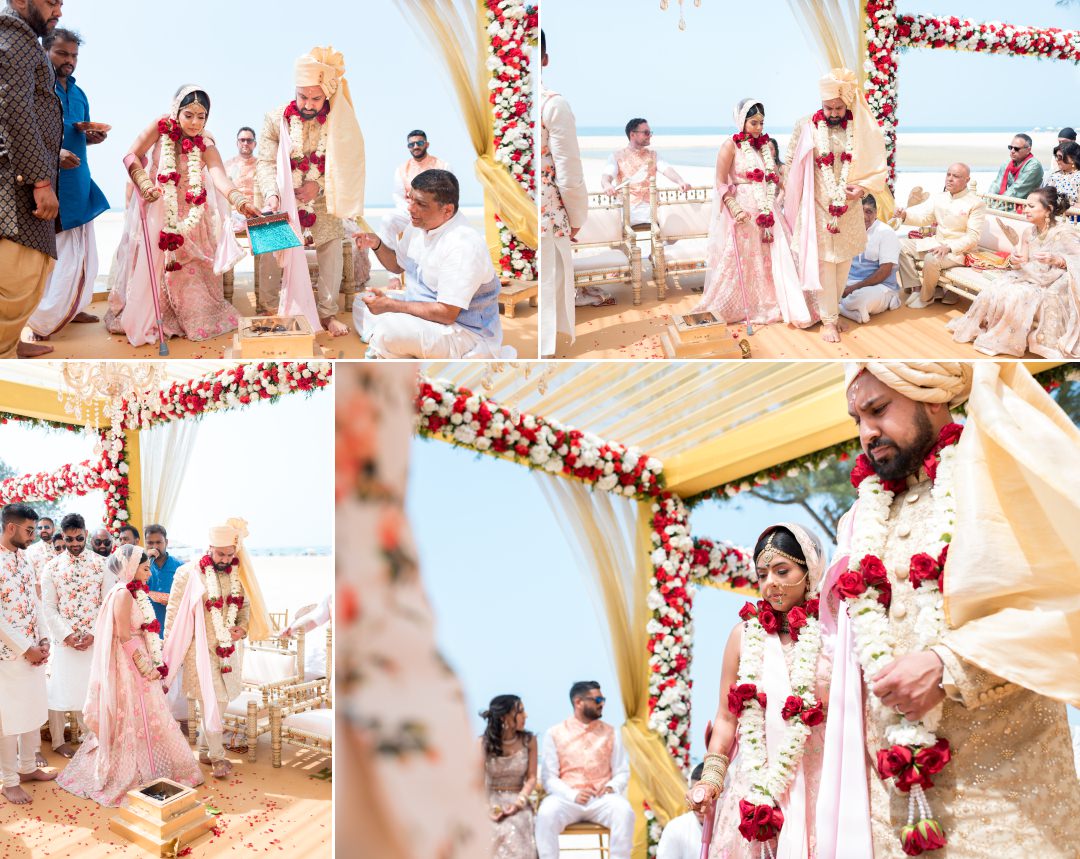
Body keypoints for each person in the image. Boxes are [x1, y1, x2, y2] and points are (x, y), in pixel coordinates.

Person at [817, 362, 1080, 858]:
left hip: (1013, 809)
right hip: (891, 812)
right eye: (856, 419)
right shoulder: (860, 519)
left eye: (877, 411)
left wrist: (947, 663)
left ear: (932, 396)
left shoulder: (999, 476)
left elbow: (1063, 604)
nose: (866, 433)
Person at [688, 524, 829, 859]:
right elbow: (725, 718)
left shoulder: (832, 631)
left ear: (810, 570)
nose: (771, 584)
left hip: (818, 783)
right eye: (763, 574)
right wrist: (710, 781)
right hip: (756, 783)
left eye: (782, 571)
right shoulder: (744, 635)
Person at [105, 86, 259, 346]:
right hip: (158, 208)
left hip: (192, 218)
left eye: (201, 117)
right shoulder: (160, 127)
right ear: (177, 111)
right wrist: (143, 182)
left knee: (190, 274)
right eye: (189, 115)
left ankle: (190, 314)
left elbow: (219, 175)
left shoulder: (206, 143)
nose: (195, 122)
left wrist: (240, 201)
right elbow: (132, 154)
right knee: (154, 266)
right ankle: (153, 313)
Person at [56, 545, 204, 807]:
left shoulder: (131, 591)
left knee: (150, 712)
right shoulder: (123, 593)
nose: (149, 574)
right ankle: (130, 771)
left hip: (139, 655)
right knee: (133, 714)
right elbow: (124, 635)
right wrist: (144, 665)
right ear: (131, 568)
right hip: (129, 662)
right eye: (145, 569)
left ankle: (156, 765)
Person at [256, 46, 366, 337]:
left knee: (331, 245)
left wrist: (317, 185)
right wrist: (272, 195)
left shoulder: (338, 121)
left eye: (316, 98)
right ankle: (270, 309)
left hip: (322, 196)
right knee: (269, 235)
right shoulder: (275, 117)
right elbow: (266, 161)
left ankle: (328, 315)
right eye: (302, 96)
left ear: (326, 97)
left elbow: (347, 160)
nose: (308, 104)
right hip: (280, 193)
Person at [355, 169, 505, 359]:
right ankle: (395, 342)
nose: (410, 208)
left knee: (388, 330)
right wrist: (376, 244)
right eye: (410, 199)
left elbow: (447, 313)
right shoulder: (418, 226)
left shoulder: (463, 244)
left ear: (447, 210)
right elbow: (396, 265)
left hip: (464, 334)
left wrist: (391, 306)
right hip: (423, 315)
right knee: (362, 302)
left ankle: (387, 341)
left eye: (420, 204)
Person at [785, 68, 888, 342]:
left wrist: (862, 189)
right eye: (828, 107)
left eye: (838, 108)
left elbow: (873, 162)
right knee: (823, 266)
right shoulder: (805, 125)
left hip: (849, 208)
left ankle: (833, 313)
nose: (833, 113)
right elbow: (791, 164)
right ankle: (829, 320)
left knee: (843, 264)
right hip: (817, 207)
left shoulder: (859, 128)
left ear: (847, 104)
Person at [162, 519, 270, 779]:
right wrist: (167, 650)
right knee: (211, 702)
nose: (225, 559)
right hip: (198, 650)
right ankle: (218, 756)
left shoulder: (238, 572)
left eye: (230, 554)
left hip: (229, 649)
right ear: (209, 548)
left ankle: (204, 749)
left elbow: (244, 607)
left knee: (219, 700)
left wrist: (242, 629)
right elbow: (174, 614)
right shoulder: (188, 573)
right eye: (220, 554)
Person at [695, 99, 815, 329]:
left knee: (776, 257)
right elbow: (720, 183)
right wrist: (734, 207)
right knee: (743, 260)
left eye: (761, 123)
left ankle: (775, 303)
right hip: (744, 212)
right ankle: (739, 305)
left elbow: (773, 178)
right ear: (742, 122)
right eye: (753, 123)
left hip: (769, 212)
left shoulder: (763, 146)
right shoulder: (730, 145)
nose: (759, 128)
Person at [27, 27, 108, 342]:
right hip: (49, 185)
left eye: (74, 55)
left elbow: (78, 133)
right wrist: (54, 154)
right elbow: (26, 136)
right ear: (46, 51)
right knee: (57, 258)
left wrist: (93, 137)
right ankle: (42, 322)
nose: (69, 60)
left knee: (85, 253)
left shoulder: (78, 93)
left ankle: (71, 309)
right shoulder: (36, 89)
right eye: (62, 53)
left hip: (79, 181)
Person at [0, 0, 64, 360]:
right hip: (16, 182)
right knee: (17, 276)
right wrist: (40, 181)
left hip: (25, 173)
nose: (58, 11)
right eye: (51, 2)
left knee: (33, 271)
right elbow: (14, 110)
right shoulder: (11, 34)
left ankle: (10, 341)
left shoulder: (24, 39)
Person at [947, 186, 1080, 357]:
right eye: (1025, 205)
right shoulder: (1028, 232)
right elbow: (1021, 262)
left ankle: (1005, 340)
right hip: (1029, 275)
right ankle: (986, 330)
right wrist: (1015, 259)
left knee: (1016, 295)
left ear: (1048, 210)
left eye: (1031, 206)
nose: (1025, 210)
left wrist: (1058, 260)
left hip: (1052, 281)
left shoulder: (1064, 232)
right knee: (994, 290)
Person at [39, 512, 113, 759]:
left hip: (94, 641)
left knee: (91, 692)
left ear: (86, 534)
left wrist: (92, 633)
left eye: (79, 538)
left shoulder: (103, 565)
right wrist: (68, 635)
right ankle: (59, 741)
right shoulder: (51, 567)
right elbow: (48, 607)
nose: (74, 544)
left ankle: (90, 738)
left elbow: (107, 603)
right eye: (69, 539)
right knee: (58, 691)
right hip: (64, 643)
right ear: (63, 536)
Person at [536, 682, 634, 859]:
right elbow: (549, 777)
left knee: (624, 811)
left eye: (602, 699)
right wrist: (571, 794)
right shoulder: (554, 733)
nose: (602, 703)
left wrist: (612, 787)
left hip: (601, 799)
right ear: (578, 702)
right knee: (546, 812)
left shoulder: (612, 733)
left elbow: (622, 772)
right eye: (597, 699)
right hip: (567, 799)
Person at [0, 503, 55, 804]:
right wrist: (26, 649)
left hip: (35, 653)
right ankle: (8, 781)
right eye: (29, 530)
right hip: (8, 657)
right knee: (9, 721)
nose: (33, 537)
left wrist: (44, 639)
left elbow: (35, 602)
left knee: (32, 713)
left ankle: (28, 767)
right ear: (11, 527)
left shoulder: (25, 560)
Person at [539, 29, 588, 359]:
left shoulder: (502, 106)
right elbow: (569, 170)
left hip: (509, 207)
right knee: (550, 278)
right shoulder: (553, 104)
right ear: (544, 59)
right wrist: (577, 216)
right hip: (546, 207)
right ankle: (545, 347)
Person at [895, 163, 985, 309]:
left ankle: (926, 297)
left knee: (932, 258)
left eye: (955, 176)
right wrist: (905, 215)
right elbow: (925, 218)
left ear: (967, 180)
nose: (950, 179)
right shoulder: (940, 198)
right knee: (899, 244)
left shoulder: (976, 203)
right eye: (948, 174)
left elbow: (973, 237)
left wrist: (949, 247)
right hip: (936, 243)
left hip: (958, 251)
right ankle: (916, 288)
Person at [602, 118, 690, 226]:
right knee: (611, 224)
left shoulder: (653, 155)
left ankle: (661, 243)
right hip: (627, 208)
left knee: (677, 220)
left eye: (650, 132)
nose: (650, 135)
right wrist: (607, 185)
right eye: (646, 132)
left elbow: (667, 169)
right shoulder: (617, 156)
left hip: (651, 207)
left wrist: (680, 181)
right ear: (633, 135)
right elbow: (607, 175)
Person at [481, 695, 538, 859]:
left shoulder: (530, 741)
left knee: (517, 825)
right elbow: (476, 782)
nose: (525, 715)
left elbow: (532, 777)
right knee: (491, 829)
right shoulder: (483, 743)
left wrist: (519, 802)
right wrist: (486, 809)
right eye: (520, 712)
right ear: (503, 717)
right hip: (490, 799)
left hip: (518, 799)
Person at [839, 194, 900, 324]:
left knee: (861, 298)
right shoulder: (848, 228)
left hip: (880, 287)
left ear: (876, 213)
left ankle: (838, 307)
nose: (864, 216)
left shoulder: (885, 232)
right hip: (849, 284)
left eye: (868, 211)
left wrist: (853, 288)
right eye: (859, 211)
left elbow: (885, 271)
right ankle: (853, 312)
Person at [393, 129, 450, 213]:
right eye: (411, 144)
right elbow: (398, 196)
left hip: (436, 213)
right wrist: (411, 211)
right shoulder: (401, 170)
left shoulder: (443, 166)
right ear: (408, 147)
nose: (415, 147)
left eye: (419, 143)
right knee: (389, 219)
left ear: (427, 144)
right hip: (410, 213)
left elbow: (449, 194)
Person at [657, 763, 704, 859]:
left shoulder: (729, 827)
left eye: (705, 795)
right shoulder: (676, 828)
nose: (698, 802)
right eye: (694, 793)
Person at [989, 133, 1044, 209]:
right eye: (1010, 147)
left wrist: (994, 206)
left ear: (1028, 150)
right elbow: (996, 185)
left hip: (1025, 207)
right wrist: (987, 201)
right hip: (1007, 202)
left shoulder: (1034, 166)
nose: (1012, 151)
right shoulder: (1007, 163)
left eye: (1016, 149)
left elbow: (1015, 190)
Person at [144, 525, 180, 634]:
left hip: (173, 627)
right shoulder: (140, 567)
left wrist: (173, 599)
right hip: (147, 627)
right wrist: (145, 560)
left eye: (159, 542)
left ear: (166, 542)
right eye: (150, 543)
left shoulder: (180, 567)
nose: (154, 547)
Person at [1043, 141, 1080, 206]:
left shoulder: (1078, 177)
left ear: (1073, 159)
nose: (1057, 159)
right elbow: (1044, 198)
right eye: (1056, 156)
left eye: (1060, 157)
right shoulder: (1054, 176)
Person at [22, 515, 55, 586]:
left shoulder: (63, 547)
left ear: (53, 530)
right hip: (40, 592)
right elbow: (31, 574)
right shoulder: (30, 550)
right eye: (40, 528)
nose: (43, 530)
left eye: (46, 527)